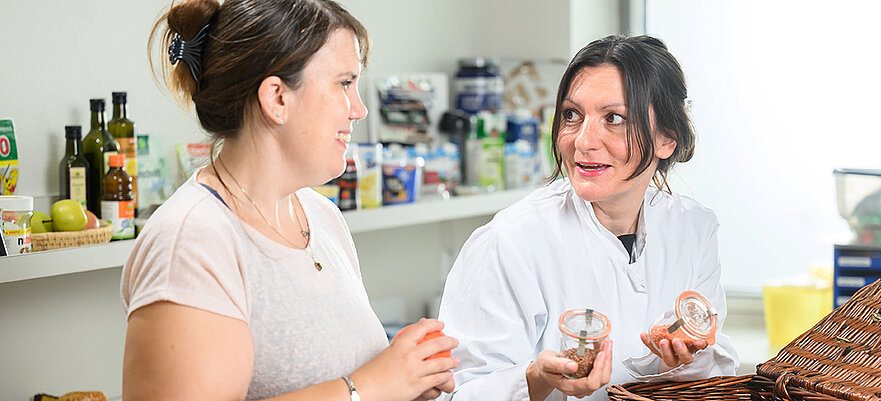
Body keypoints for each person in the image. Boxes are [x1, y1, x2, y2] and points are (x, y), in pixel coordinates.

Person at [121, 1, 458, 400]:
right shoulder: (191, 241)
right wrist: (369, 387)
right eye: (344, 83)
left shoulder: (321, 216)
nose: (359, 109)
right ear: (277, 98)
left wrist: (406, 382)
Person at [437, 35, 740, 401]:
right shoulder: (511, 240)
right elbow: (457, 393)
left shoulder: (693, 229)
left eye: (614, 118)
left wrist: (676, 364)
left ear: (667, 140)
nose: (582, 141)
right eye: (572, 115)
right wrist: (536, 378)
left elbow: (712, 374)